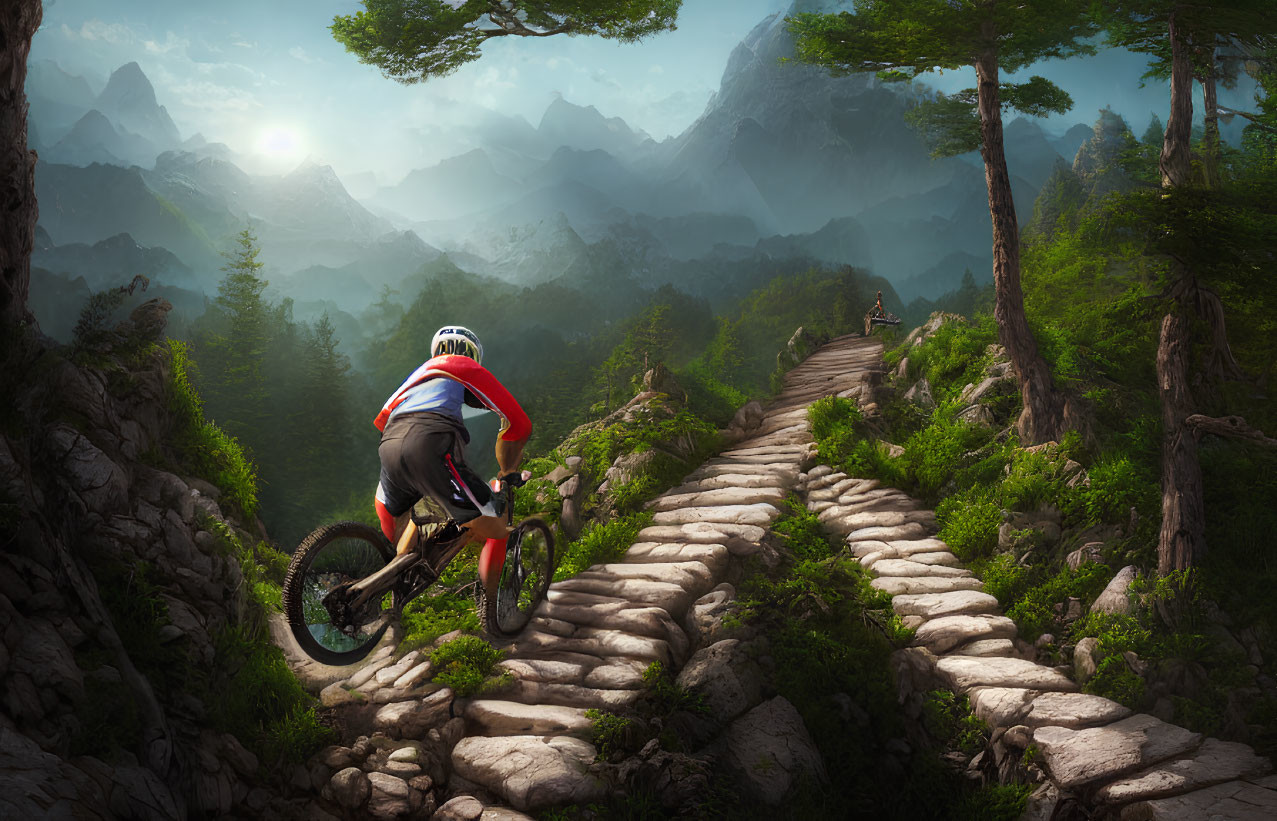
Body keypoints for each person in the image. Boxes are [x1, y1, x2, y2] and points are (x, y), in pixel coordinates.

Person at [372, 326, 531, 578]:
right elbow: (519, 424)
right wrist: (507, 468)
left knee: (412, 514)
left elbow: (382, 420)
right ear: (472, 354)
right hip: (428, 444)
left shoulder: (414, 378)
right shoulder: (468, 367)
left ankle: (390, 583)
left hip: (389, 445)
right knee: (497, 524)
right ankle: (494, 607)